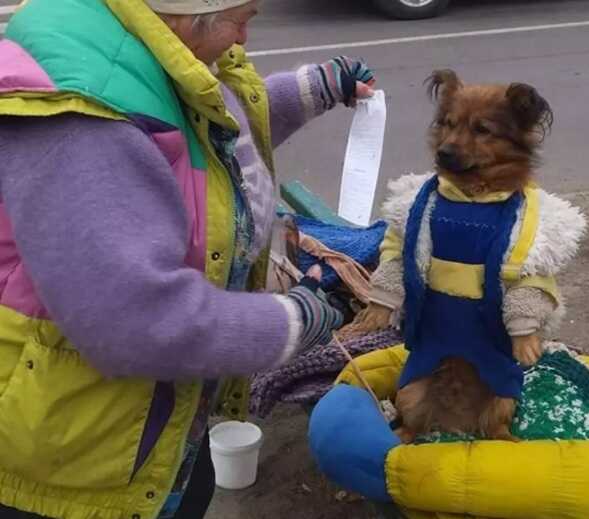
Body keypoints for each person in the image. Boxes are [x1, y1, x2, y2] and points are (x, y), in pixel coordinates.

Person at [0, 0, 375, 518]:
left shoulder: (137, 46)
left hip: (156, 420)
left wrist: (313, 91)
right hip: (82, 451)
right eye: (239, 18)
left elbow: (206, 139)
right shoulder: (84, 122)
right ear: (184, 12)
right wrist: (298, 317)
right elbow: (139, 323)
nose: (243, 39)